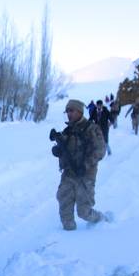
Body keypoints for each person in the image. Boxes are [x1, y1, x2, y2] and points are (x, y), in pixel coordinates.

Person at [50, 99, 108, 231]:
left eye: (72, 111)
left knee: (84, 211)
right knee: (64, 206)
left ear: (80, 111)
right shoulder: (67, 131)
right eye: (67, 111)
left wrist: (85, 165)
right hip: (69, 174)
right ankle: (68, 238)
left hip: (85, 175)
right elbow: (66, 150)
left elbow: (100, 150)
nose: (69, 114)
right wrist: (58, 151)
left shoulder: (92, 129)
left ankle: (101, 220)